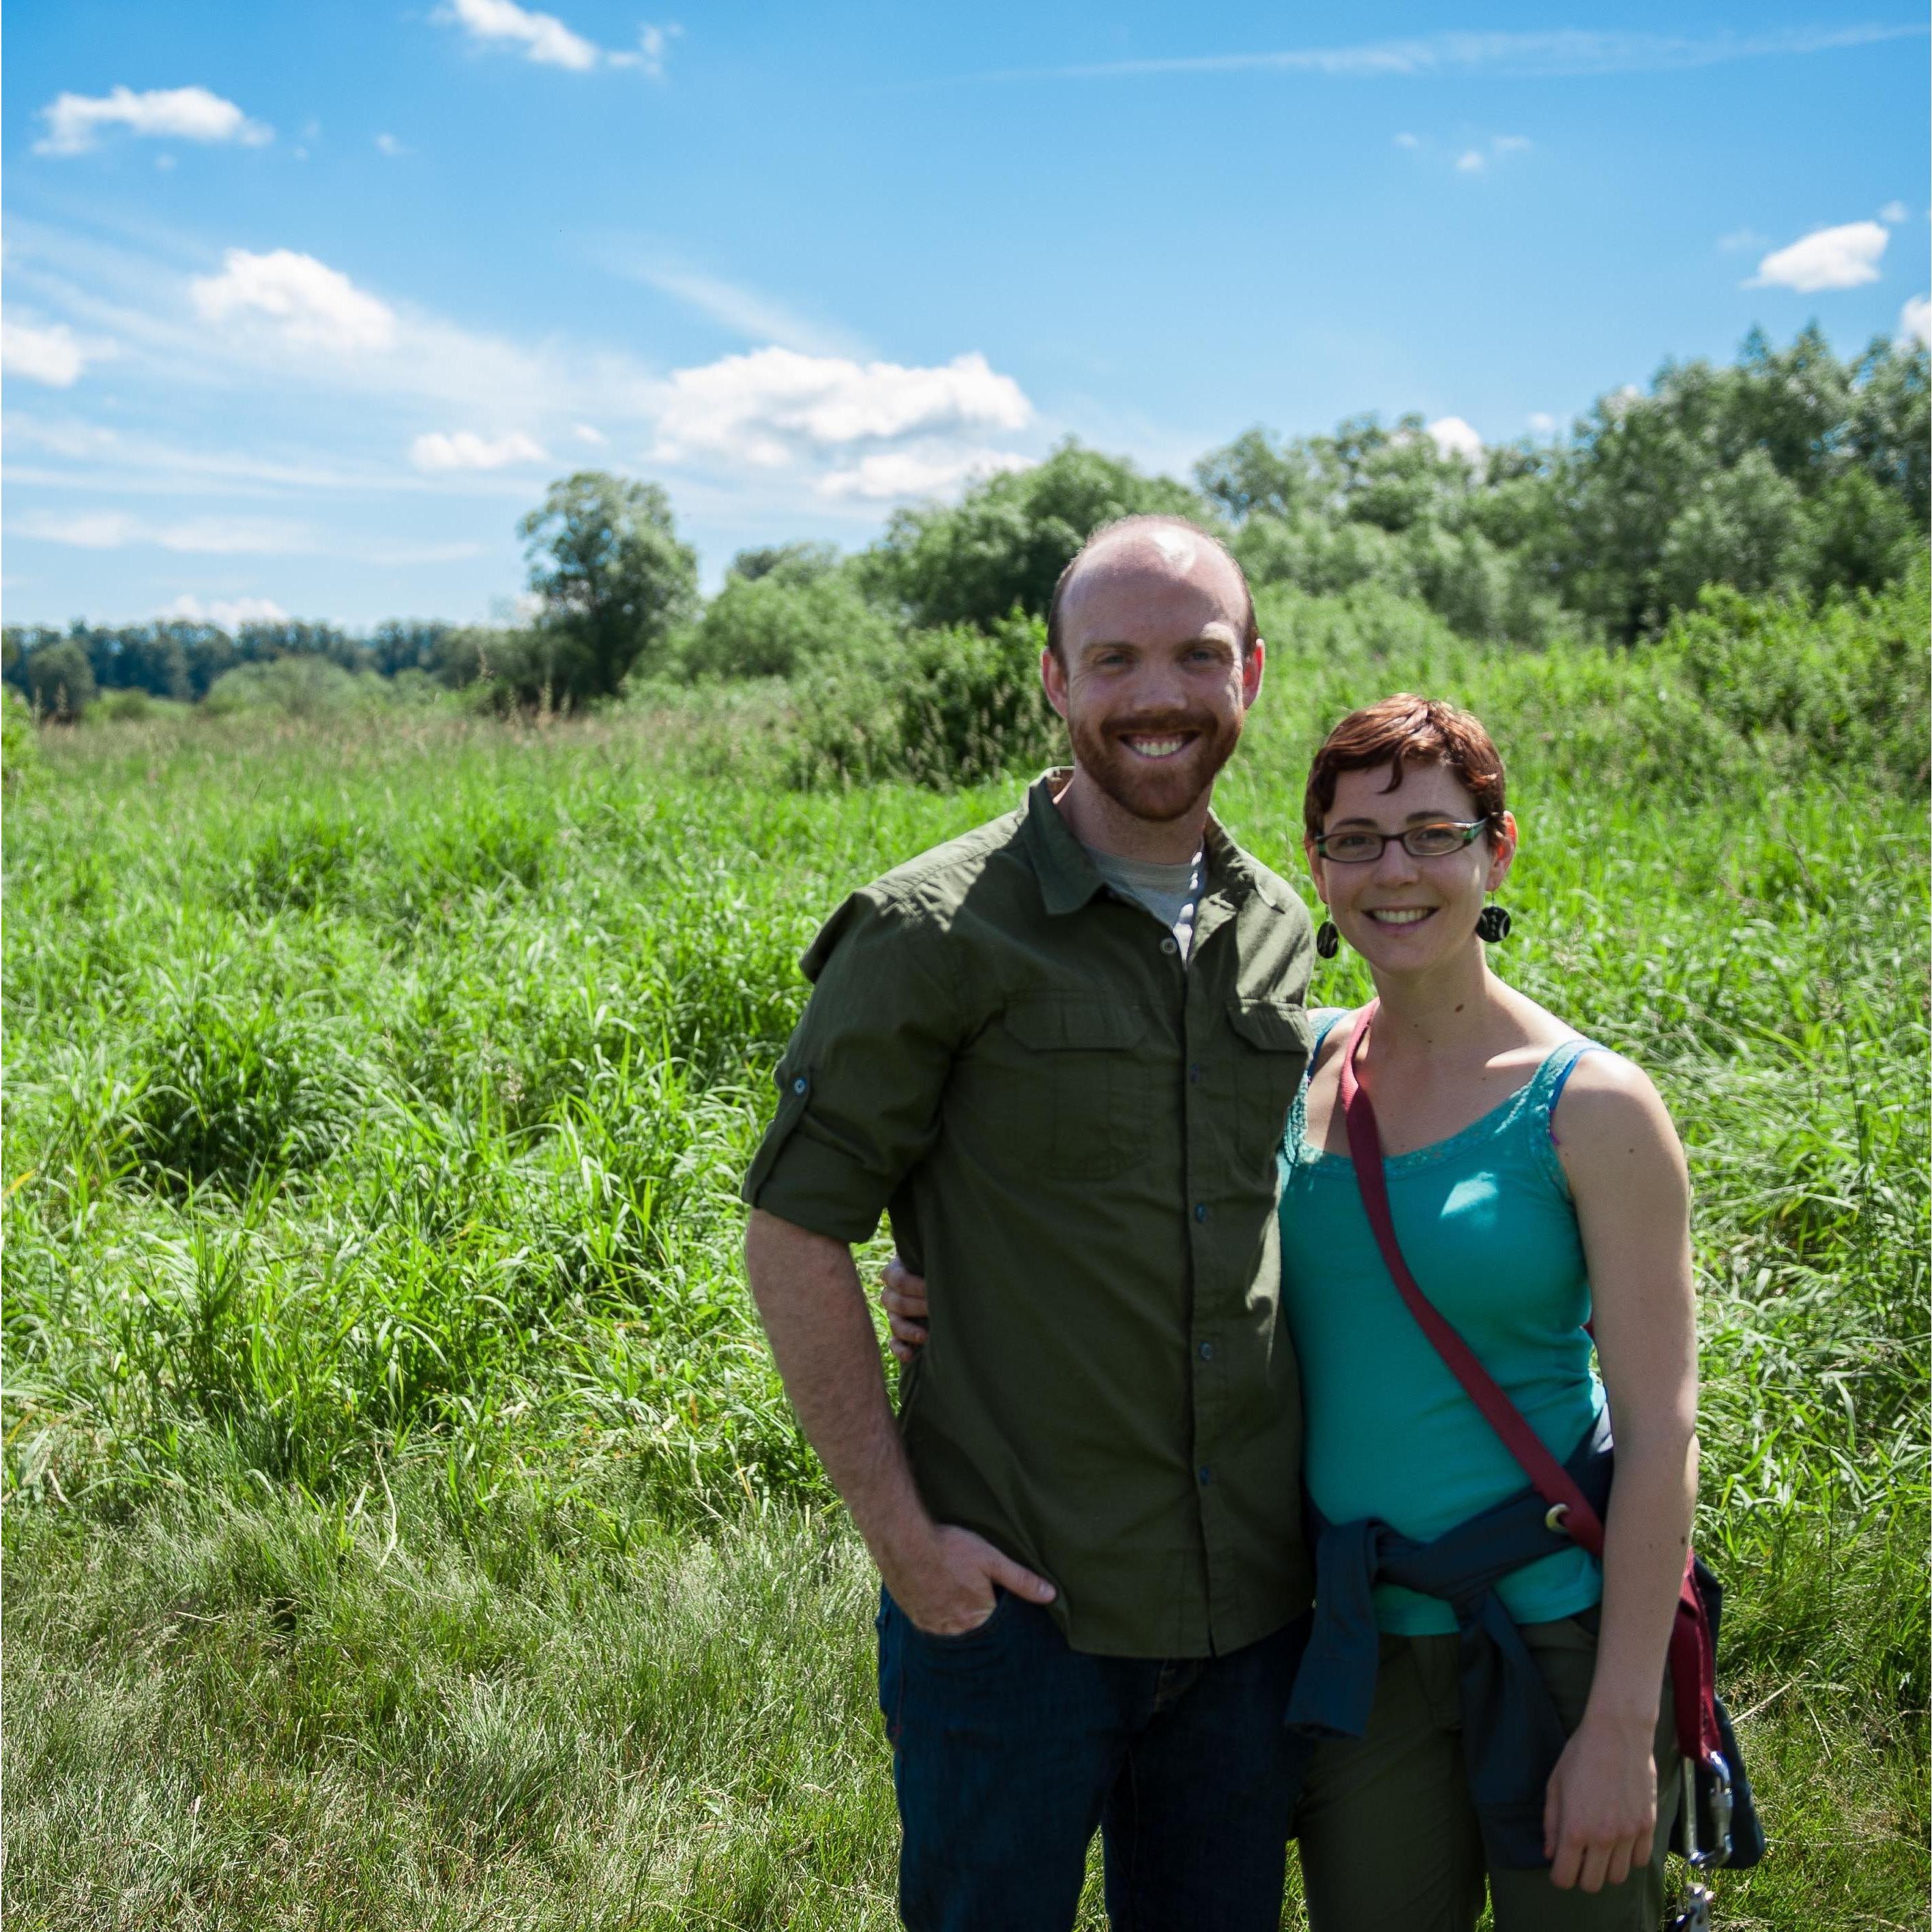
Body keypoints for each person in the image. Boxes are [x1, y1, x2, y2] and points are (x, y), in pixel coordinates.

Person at [884, 695, 1700, 1930]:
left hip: (1560, 1633)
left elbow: (1662, 1432)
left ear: (1499, 847)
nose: (1397, 872)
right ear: (1315, 863)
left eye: (1434, 833)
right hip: (1359, 1647)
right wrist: (947, 1283)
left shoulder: (1592, 1107)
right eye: (1358, 842)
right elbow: (1138, 1229)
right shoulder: (1290, 1063)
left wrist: (1622, 1722)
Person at [740, 514, 1319, 1932]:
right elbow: (794, 1229)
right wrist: (904, 1546)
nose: (1158, 693)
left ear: (1251, 672)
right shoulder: (934, 931)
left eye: (1196, 653)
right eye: (1113, 657)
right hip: (1018, 1612)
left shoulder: (1282, 924)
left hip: (1247, 1609)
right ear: (1054, 682)